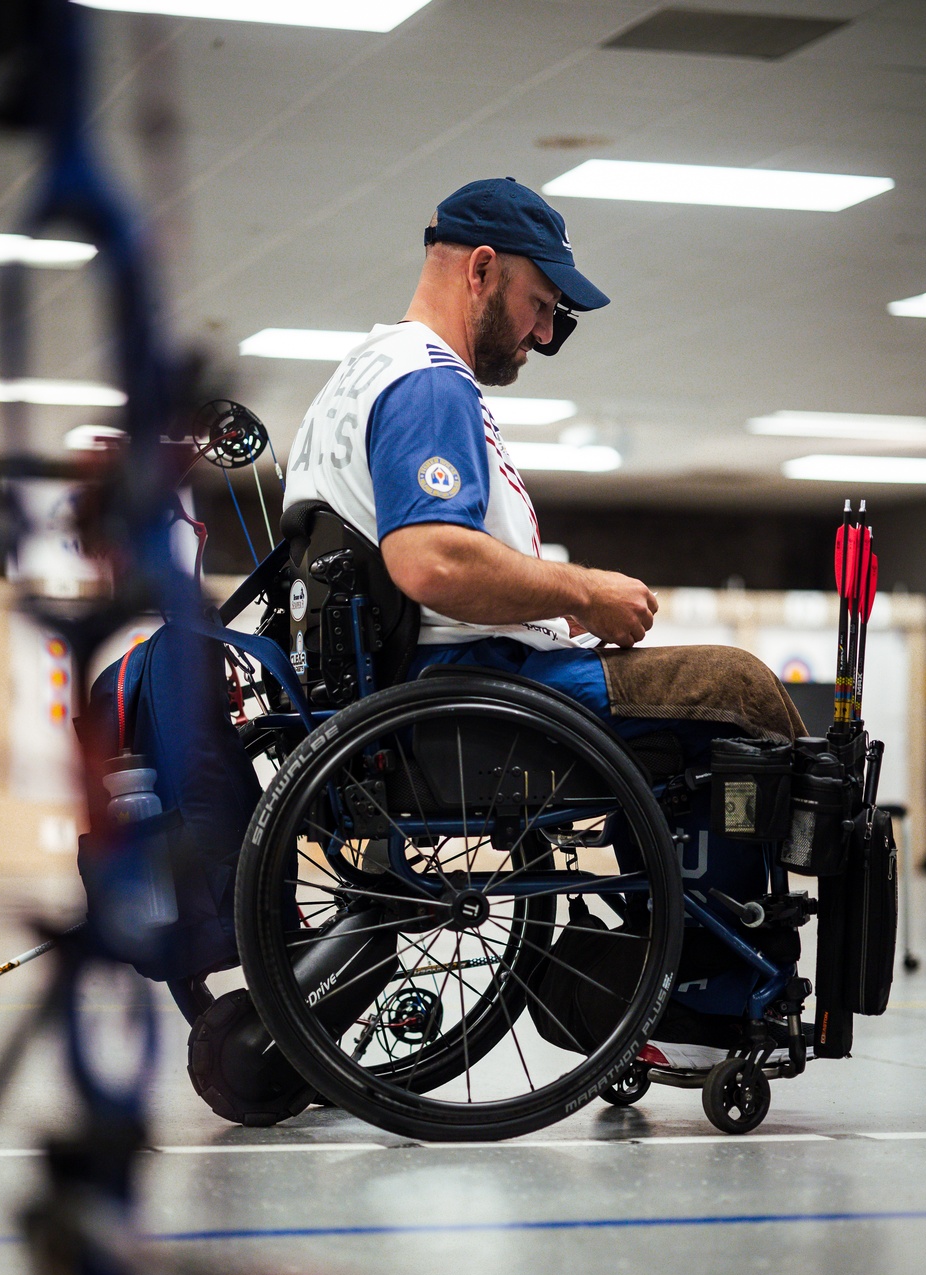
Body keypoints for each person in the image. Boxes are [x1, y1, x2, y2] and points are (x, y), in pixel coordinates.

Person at [283, 176, 806, 1067]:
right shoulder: (427, 384)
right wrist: (583, 594)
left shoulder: (356, 377)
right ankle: (713, 979)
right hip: (473, 708)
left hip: (425, 703)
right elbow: (431, 560)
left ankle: (674, 952)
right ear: (482, 271)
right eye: (541, 307)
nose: (544, 335)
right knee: (737, 689)